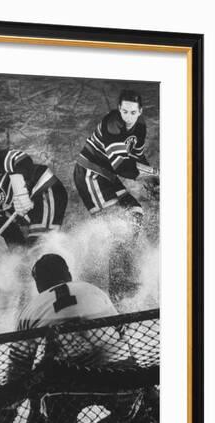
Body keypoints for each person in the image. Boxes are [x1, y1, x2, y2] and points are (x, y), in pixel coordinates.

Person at [0, 254, 159, 423]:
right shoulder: (93, 290)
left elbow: (17, 374)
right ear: (68, 274)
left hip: (66, 386)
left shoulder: (29, 310)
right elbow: (121, 338)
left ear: (38, 285)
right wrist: (146, 390)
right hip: (117, 378)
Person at [73, 90, 159, 302]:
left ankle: (123, 271)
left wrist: (153, 181)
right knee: (116, 225)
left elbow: (136, 157)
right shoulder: (112, 124)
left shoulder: (139, 127)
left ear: (140, 112)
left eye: (132, 112)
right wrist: (155, 173)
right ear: (118, 109)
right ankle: (117, 286)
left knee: (135, 212)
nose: (127, 116)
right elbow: (122, 166)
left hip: (107, 176)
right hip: (90, 175)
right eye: (123, 111)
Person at [0, 147, 68, 260]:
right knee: (28, 253)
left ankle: (56, 268)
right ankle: (21, 254)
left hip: (45, 190)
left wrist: (20, 191)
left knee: (39, 245)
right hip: (32, 209)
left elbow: (21, 159)